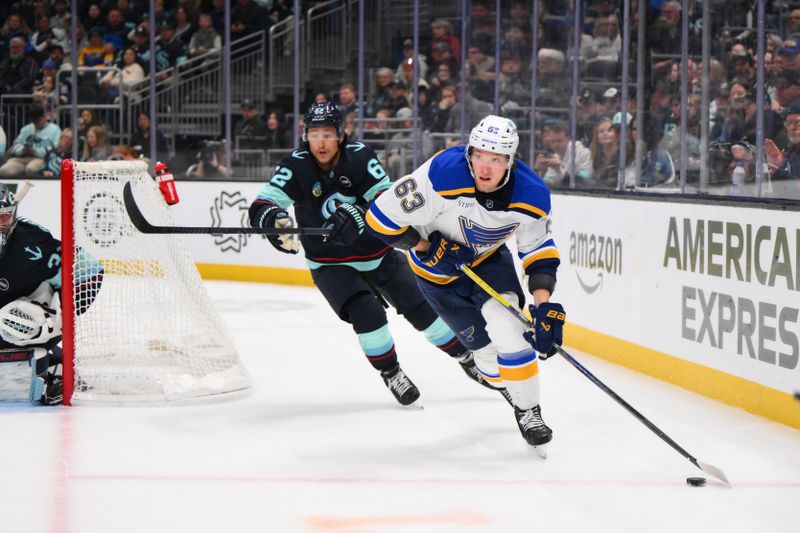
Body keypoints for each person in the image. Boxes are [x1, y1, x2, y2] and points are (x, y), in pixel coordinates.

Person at [248, 102, 484, 407]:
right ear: (306, 136)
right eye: (314, 134)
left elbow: (386, 202)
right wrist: (271, 222)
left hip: (378, 252)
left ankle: (466, 357)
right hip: (329, 263)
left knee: (422, 309)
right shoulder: (295, 165)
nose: (321, 142)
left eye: (328, 134)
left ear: (342, 134)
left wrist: (359, 214)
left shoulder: (360, 157)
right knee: (367, 312)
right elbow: (261, 205)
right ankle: (391, 372)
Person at [366, 115, 565, 449]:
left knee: (510, 332)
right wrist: (427, 247)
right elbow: (379, 219)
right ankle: (502, 381)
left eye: (496, 159)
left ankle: (528, 409)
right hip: (437, 278)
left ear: (510, 161)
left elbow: (537, 249)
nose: (485, 167)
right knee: (487, 359)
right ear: (470, 153)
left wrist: (543, 305)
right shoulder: (442, 174)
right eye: (479, 156)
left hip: (489, 266)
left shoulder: (532, 195)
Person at [0, 104, 61, 179]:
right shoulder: (26, 129)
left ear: (44, 117)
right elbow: (15, 146)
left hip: (42, 159)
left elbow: (56, 149)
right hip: (23, 158)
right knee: (5, 170)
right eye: (34, 121)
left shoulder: (55, 129)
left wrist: (36, 151)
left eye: (38, 121)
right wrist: (22, 150)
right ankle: (8, 190)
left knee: (31, 169)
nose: (36, 123)